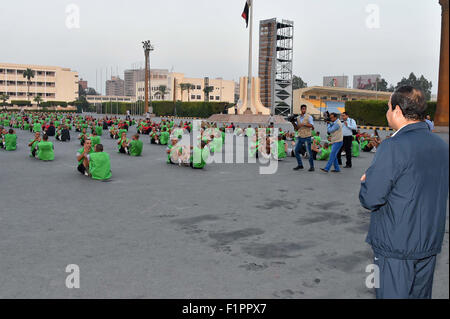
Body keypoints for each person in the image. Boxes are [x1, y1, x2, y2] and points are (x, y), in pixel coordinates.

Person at [359, 86, 449, 299]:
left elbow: (371, 198)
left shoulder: (393, 146)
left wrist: (366, 181)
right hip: (428, 243)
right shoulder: (441, 145)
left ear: (398, 111)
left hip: (395, 247)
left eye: (388, 108)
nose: (387, 112)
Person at [293, 105, 315, 172]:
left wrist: (304, 124)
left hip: (307, 136)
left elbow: (312, 125)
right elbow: (296, 128)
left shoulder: (309, 117)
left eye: (304, 109)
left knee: (309, 152)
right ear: (301, 109)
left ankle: (312, 166)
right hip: (300, 136)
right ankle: (300, 165)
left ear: (306, 109)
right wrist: (292, 122)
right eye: (302, 109)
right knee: (296, 151)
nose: (303, 110)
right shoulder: (298, 118)